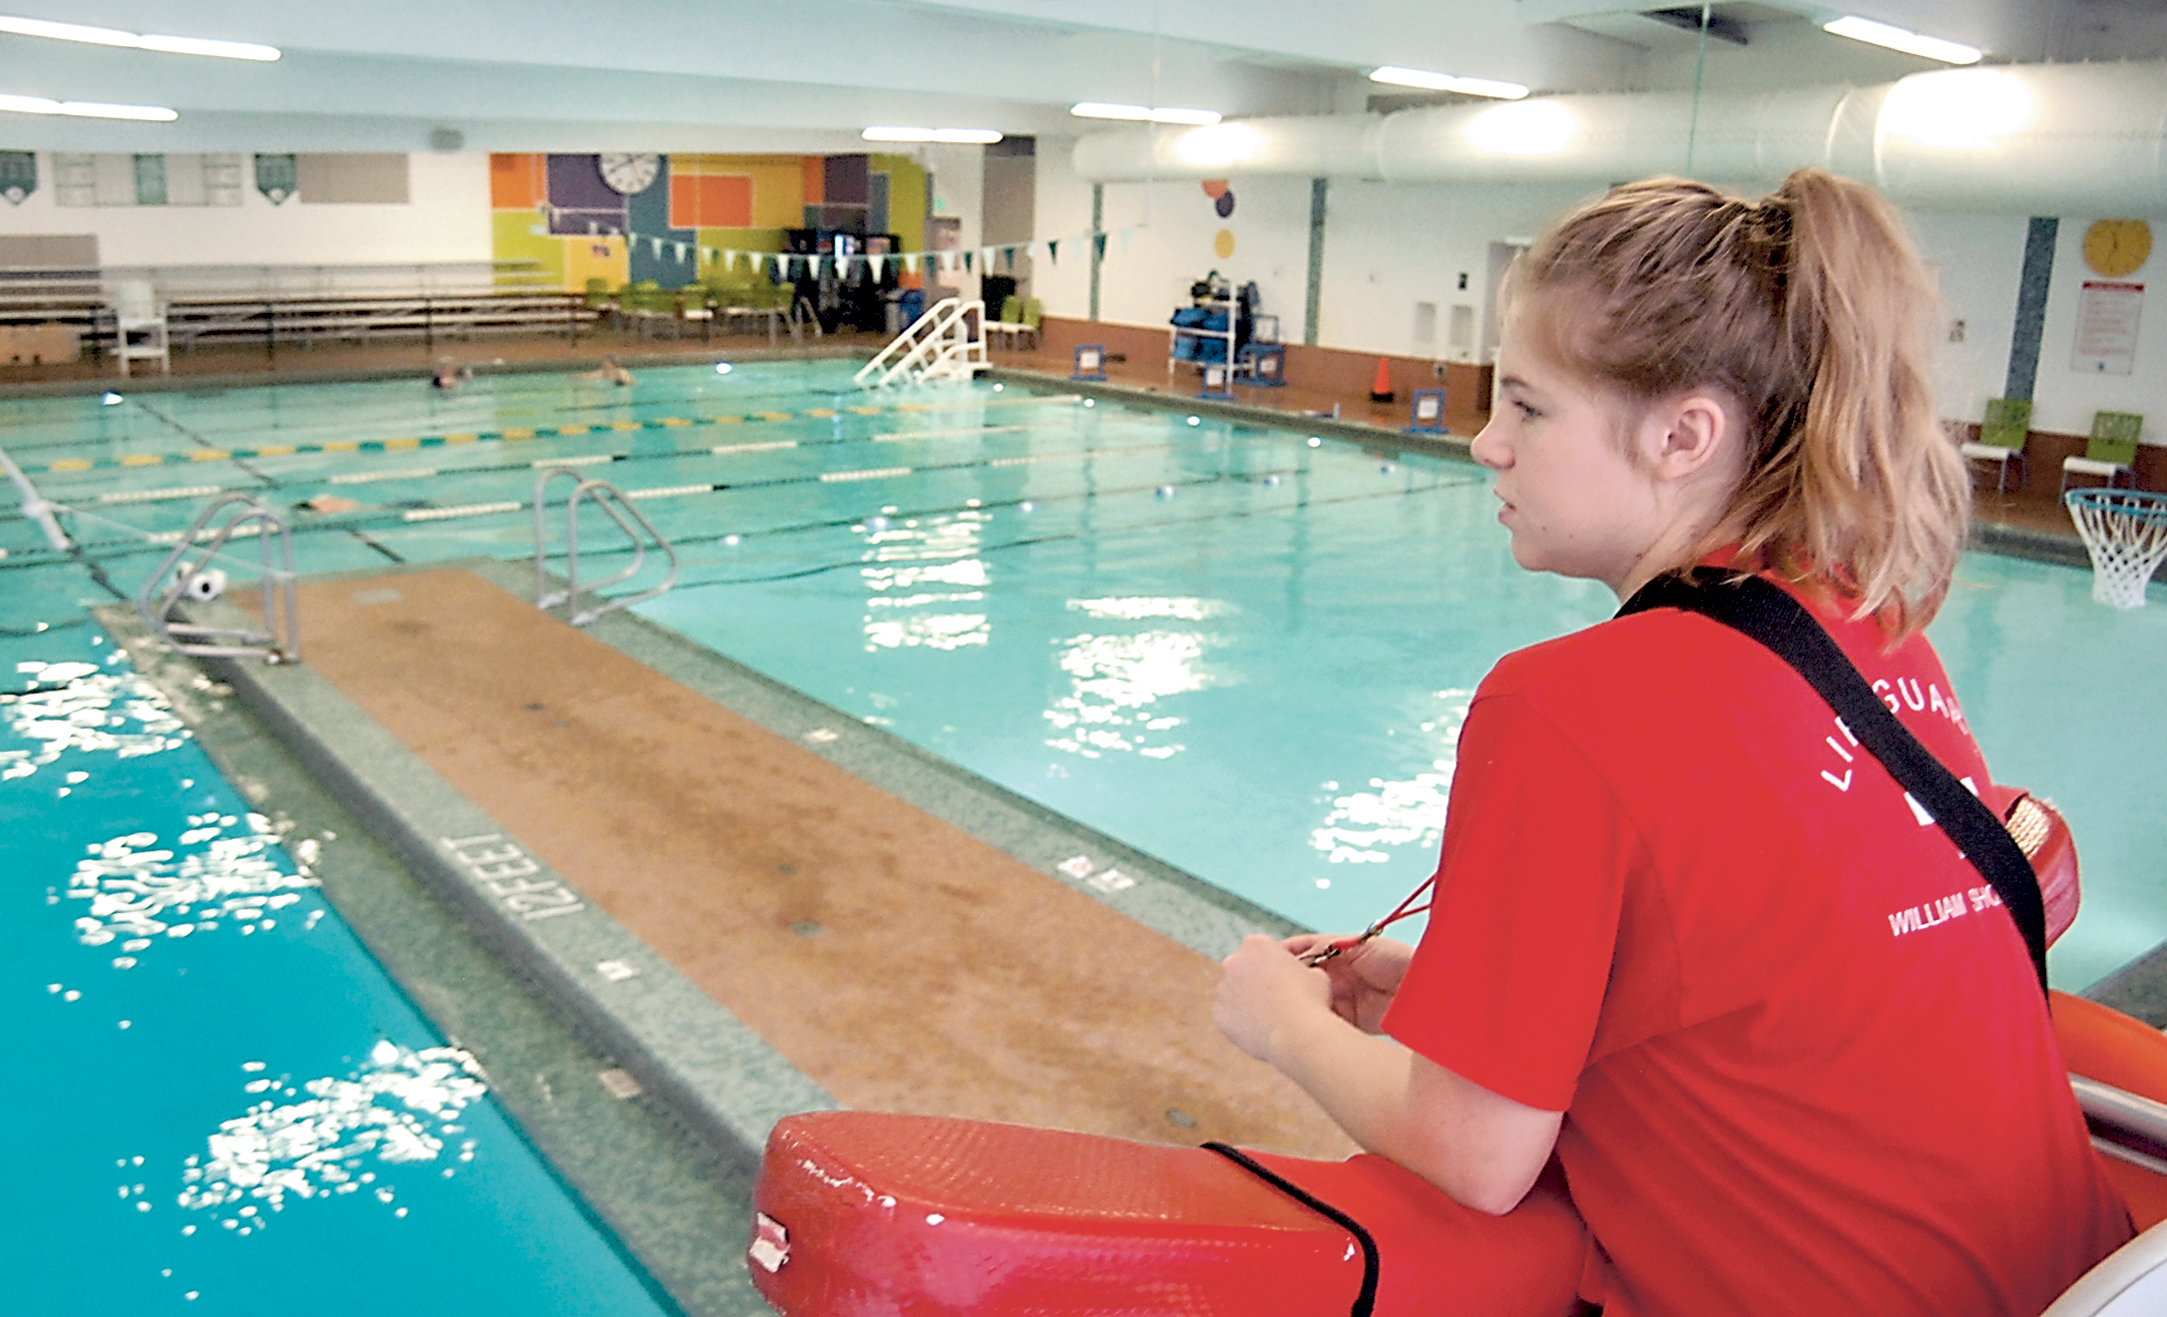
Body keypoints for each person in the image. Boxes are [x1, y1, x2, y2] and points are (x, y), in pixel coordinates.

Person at [1214, 168, 2131, 1316]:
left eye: (1531, 407)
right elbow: (1777, 978)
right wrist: (1443, 1003)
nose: (1484, 446)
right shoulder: (1880, 637)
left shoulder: (1562, 705)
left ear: (1682, 435)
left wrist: (1281, 1022)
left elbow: (1476, 1157)